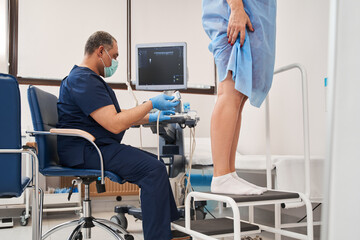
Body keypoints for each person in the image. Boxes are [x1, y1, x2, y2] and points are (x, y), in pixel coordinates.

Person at [56, 31, 180, 240]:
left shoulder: (88, 80)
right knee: (153, 170)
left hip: (96, 147)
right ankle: (159, 236)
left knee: (155, 163)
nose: (115, 62)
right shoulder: (82, 80)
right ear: (100, 51)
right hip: (88, 150)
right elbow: (114, 124)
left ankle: (167, 229)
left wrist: (152, 116)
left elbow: (117, 115)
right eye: (114, 56)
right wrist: (151, 103)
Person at [202, 0, 277, 195]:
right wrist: (236, 8)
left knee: (239, 96)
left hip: (249, 15)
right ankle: (221, 176)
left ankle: (228, 173)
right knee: (230, 91)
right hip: (235, 14)